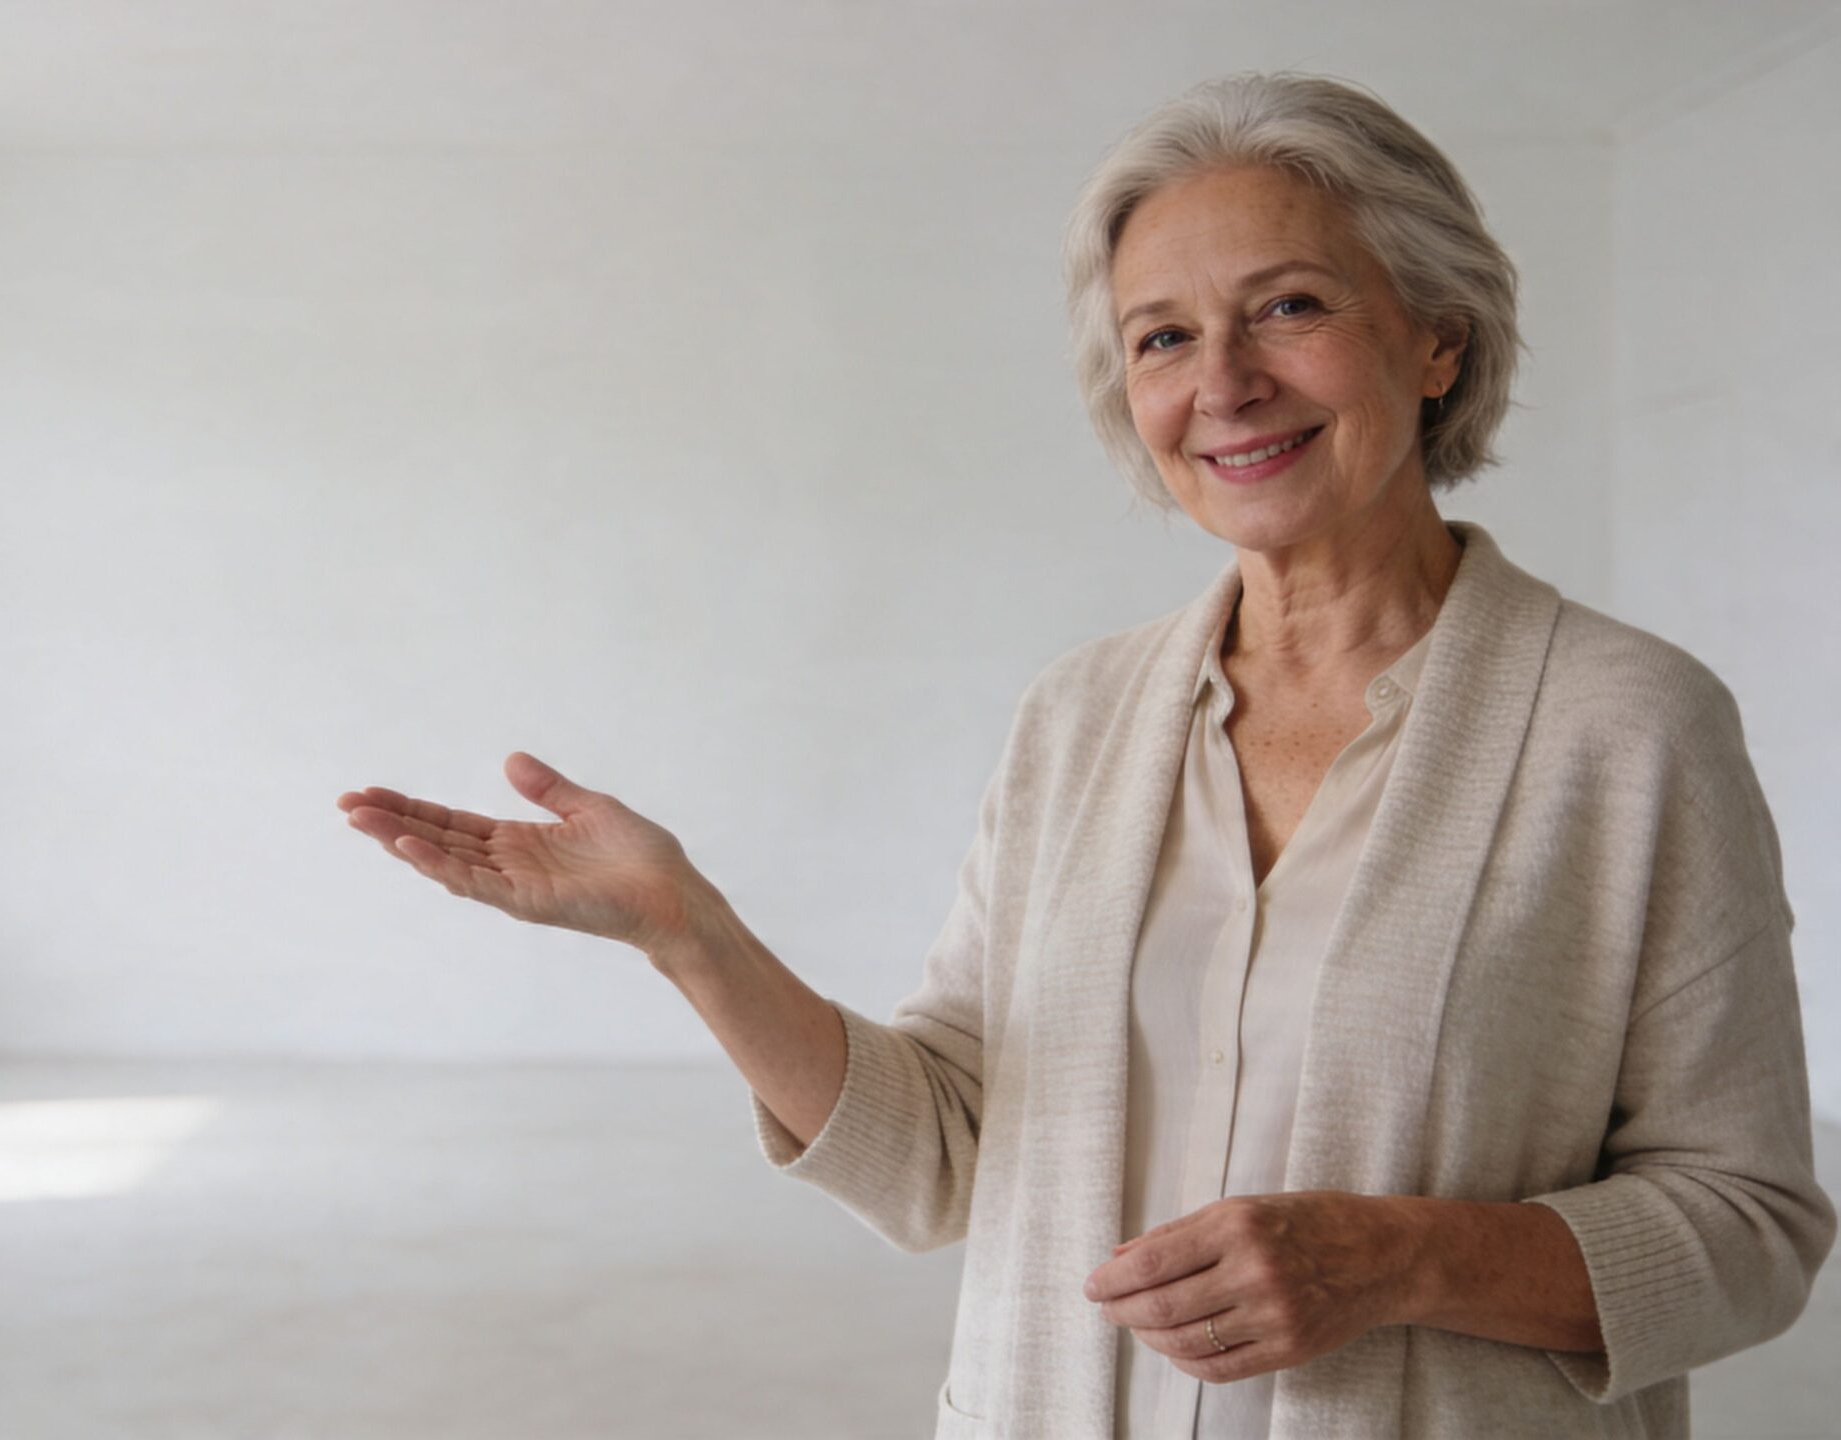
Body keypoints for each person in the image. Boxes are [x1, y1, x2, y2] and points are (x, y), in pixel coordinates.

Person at [337, 71, 1831, 1439]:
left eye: (1290, 306)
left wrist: (1396, 1259)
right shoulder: (1081, 718)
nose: (1224, 382)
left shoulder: (1630, 725)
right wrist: (689, 938)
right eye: (1163, 337)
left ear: (1436, 336)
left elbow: (1752, 1231)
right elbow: (938, 1156)